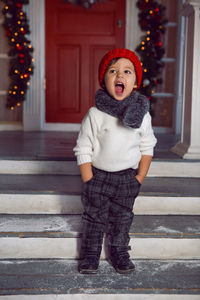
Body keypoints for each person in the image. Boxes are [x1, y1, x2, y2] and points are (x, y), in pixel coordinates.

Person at [73, 48, 157, 275]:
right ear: (105, 80)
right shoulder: (95, 114)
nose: (120, 75)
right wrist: (88, 179)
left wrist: (139, 177)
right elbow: (83, 147)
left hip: (127, 178)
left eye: (127, 71)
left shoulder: (142, 115)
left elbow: (147, 147)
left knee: (122, 218)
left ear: (135, 83)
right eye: (113, 71)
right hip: (98, 176)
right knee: (94, 217)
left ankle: (119, 251)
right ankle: (90, 254)